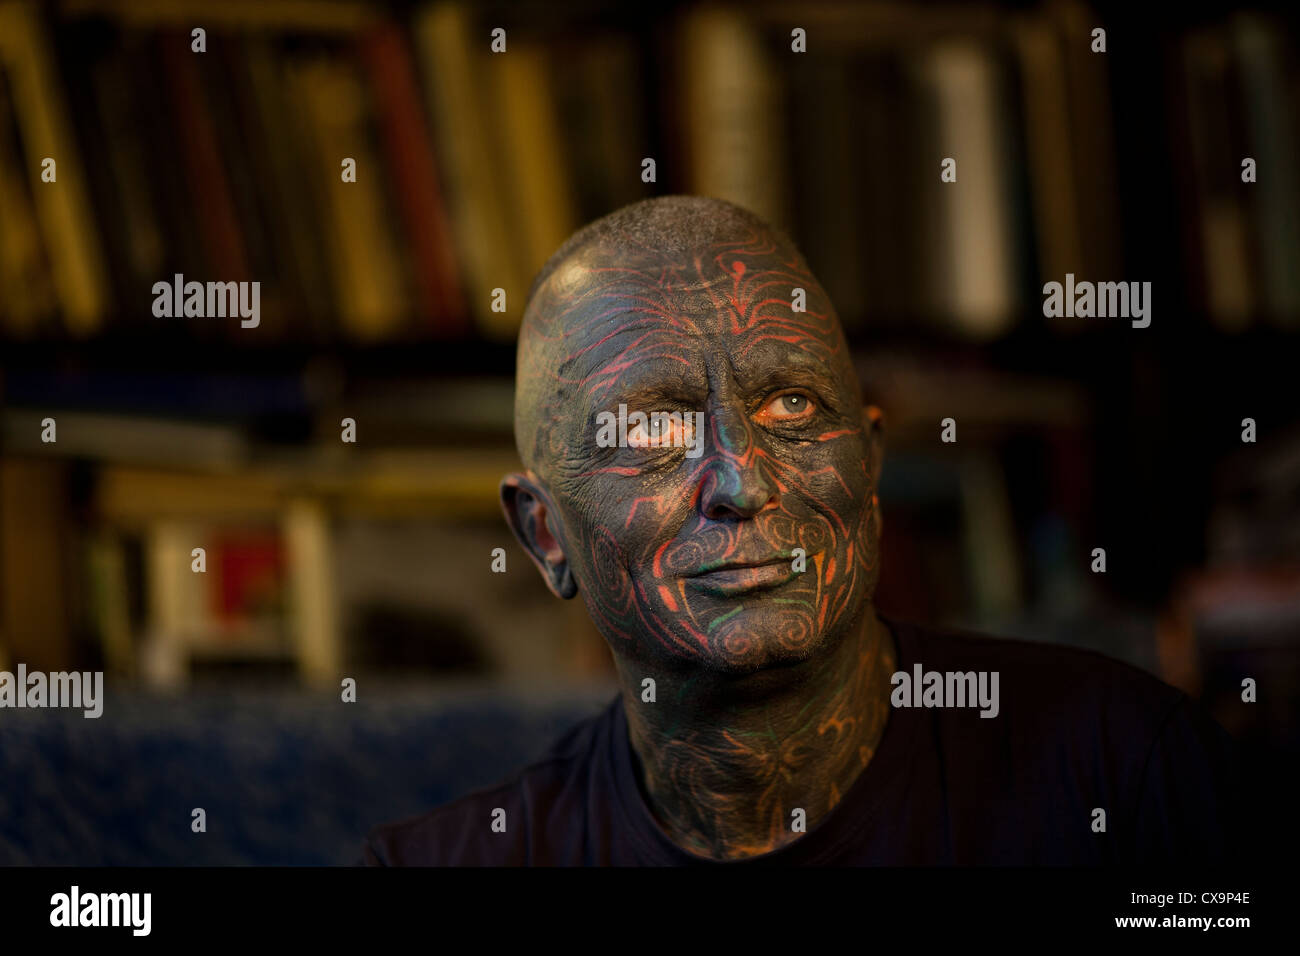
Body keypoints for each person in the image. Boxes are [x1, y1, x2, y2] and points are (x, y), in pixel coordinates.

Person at [361, 196, 1245, 866]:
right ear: (545, 536)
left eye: (791, 404)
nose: (743, 483)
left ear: (868, 462)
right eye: (656, 433)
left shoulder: (1126, 773)